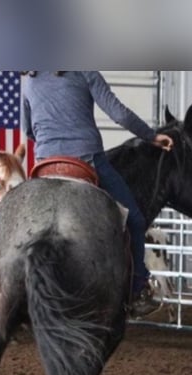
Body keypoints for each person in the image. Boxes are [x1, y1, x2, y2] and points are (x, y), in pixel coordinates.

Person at [21, 71, 174, 317]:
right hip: (87, 159)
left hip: (45, 163)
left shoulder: (29, 79)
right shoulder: (84, 70)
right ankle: (138, 288)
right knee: (135, 219)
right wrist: (152, 136)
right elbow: (119, 113)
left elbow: (28, 130)